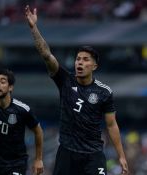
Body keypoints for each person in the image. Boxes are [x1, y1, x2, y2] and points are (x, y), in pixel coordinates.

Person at [25, 5, 128, 175]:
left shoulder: (104, 92)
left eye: (85, 59)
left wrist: (121, 156)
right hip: (67, 153)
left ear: (94, 65)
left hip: (93, 155)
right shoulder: (65, 80)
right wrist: (34, 28)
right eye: (78, 59)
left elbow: (111, 124)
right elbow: (46, 54)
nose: (80, 62)